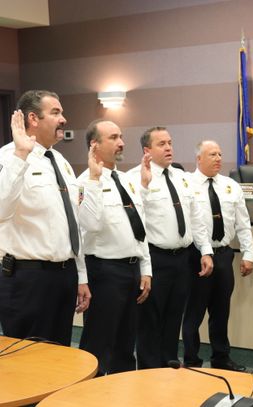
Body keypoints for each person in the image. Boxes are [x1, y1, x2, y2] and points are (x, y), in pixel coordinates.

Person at [0, 90, 90, 346]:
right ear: (33, 119)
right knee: (28, 363)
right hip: (28, 279)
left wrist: (80, 275)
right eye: (55, 113)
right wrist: (21, 156)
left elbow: (73, 223)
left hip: (63, 275)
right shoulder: (8, 157)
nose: (64, 119)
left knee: (60, 355)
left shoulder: (60, 161)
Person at [128, 126, 213, 369]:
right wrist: (144, 187)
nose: (168, 148)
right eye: (161, 144)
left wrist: (205, 250)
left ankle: (168, 365)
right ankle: (148, 370)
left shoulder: (181, 177)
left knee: (175, 315)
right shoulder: (135, 177)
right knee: (150, 319)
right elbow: (134, 219)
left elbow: (195, 217)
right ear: (147, 150)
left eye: (170, 143)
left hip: (182, 258)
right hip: (155, 258)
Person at [78, 119, 152, 375]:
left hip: (131, 270)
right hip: (104, 271)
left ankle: (123, 394)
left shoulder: (127, 180)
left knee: (125, 344)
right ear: (94, 145)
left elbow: (140, 230)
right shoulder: (85, 182)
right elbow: (92, 224)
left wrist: (146, 269)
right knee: (99, 344)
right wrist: (95, 181)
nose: (121, 142)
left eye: (120, 136)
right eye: (113, 138)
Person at [182, 140, 253, 371]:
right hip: (196, 257)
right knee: (194, 312)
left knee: (221, 311)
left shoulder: (231, 186)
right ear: (199, 159)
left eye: (220, 154)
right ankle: (192, 360)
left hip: (223, 255)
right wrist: (204, 252)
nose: (218, 158)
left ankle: (221, 358)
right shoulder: (186, 185)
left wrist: (248, 253)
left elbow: (243, 223)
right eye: (212, 154)